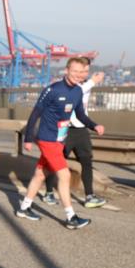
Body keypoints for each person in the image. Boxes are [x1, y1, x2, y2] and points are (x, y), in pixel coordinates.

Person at [15, 56, 106, 229]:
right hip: (46, 138)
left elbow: (79, 115)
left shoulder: (78, 91)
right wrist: (28, 138)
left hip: (59, 139)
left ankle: (24, 208)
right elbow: (35, 113)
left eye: (82, 72)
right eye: (75, 71)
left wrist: (94, 126)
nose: (78, 75)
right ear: (67, 70)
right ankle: (71, 217)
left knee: (40, 175)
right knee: (65, 176)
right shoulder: (52, 90)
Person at [42, 69, 107, 208]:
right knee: (55, 163)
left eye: (85, 71)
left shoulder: (84, 86)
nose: (82, 74)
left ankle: (89, 196)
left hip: (81, 130)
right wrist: (92, 81)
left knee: (86, 162)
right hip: (65, 129)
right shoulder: (73, 87)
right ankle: (48, 193)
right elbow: (77, 91)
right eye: (79, 71)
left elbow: (81, 112)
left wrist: (93, 125)